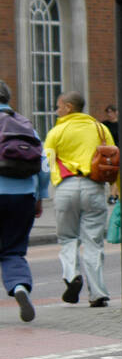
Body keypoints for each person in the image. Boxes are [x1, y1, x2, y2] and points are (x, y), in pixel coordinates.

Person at [43, 91, 111, 307]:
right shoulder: (101, 128)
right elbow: (112, 156)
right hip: (94, 187)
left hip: (66, 187)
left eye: (58, 106)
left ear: (69, 107)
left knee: (68, 238)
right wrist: (114, 188)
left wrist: (54, 182)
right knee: (93, 241)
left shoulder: (57, 131)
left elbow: (47, 163)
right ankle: (98, 293)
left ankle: (72, 276)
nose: (57, 110)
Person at [0, 80, 48, 321]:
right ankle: (19, 286)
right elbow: (44, 167)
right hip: (23, 197)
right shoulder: (25, 125)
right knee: (13, 251)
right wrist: (39, 197)